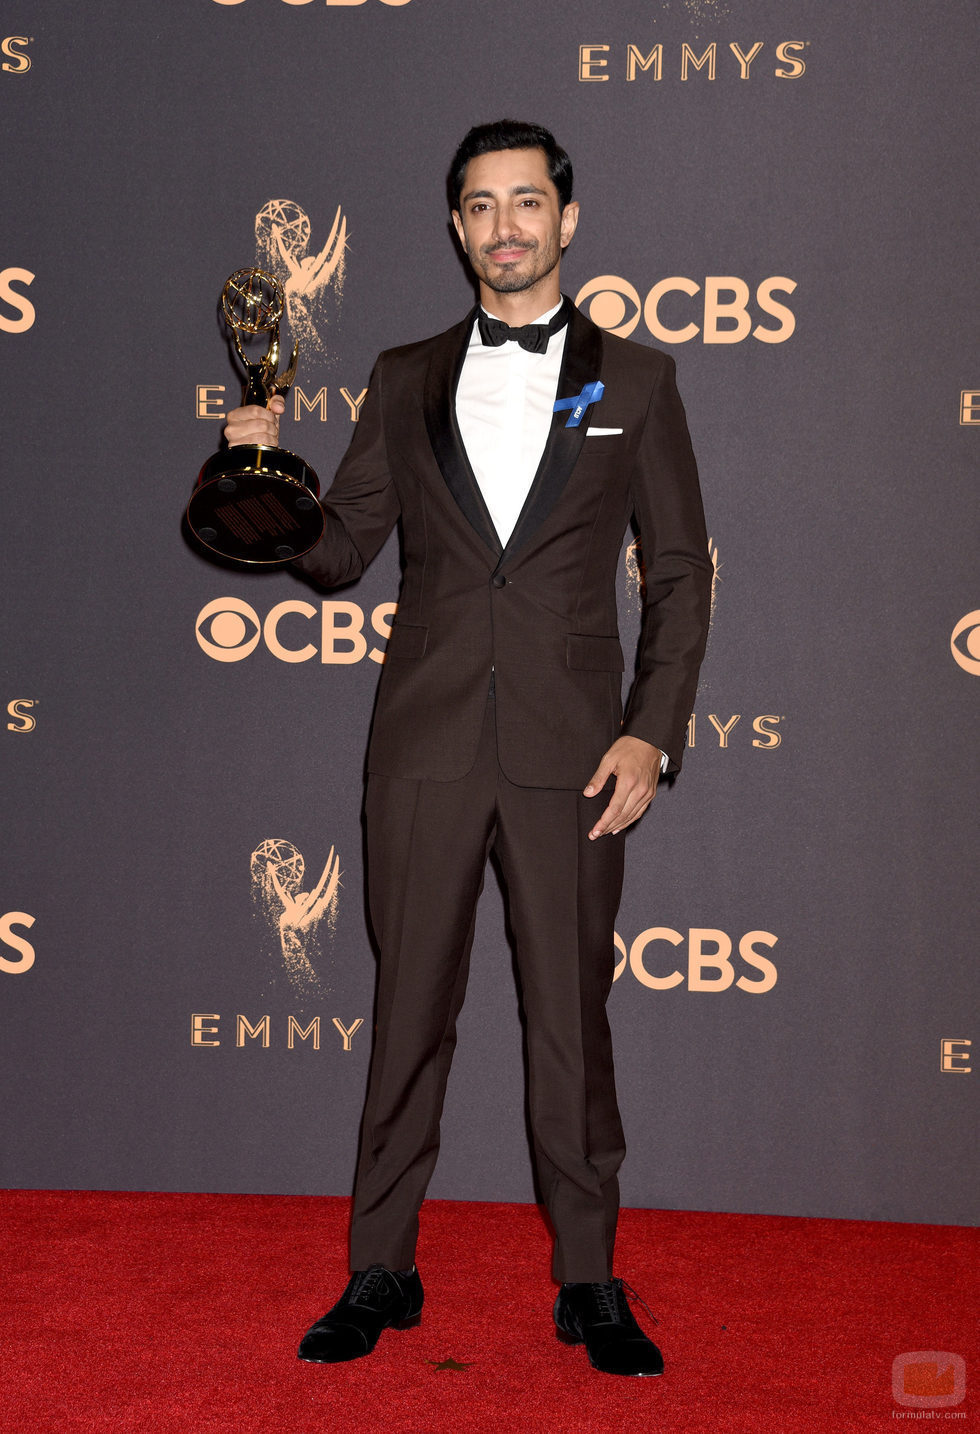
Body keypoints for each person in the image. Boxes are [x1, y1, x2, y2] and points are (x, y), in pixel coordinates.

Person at [222, 120, 712, 1378]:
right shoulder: (401, 376)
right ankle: (380, 1269)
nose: (505, 226)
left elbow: (676, 577)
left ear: (567, 217)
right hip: (424, 751)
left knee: (570, 1028)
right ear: (454, 227)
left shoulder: (641, 382)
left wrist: (652, 731)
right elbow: (336, 556)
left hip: (573, 761)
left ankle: (590, 1280)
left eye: (527, 202)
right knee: (404, 1020)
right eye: (481, 206)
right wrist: (260, 467)